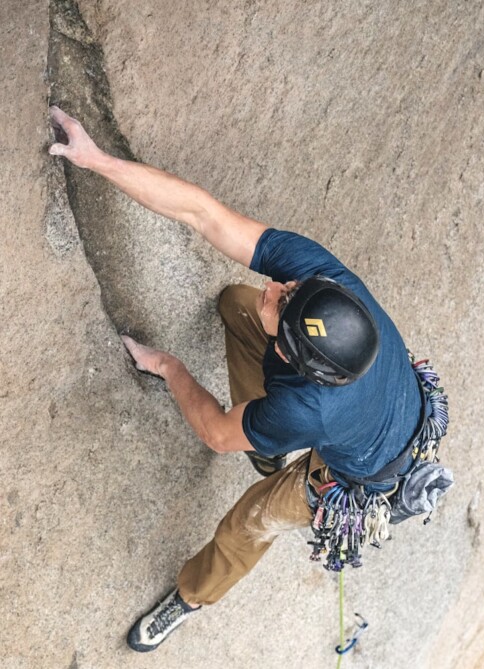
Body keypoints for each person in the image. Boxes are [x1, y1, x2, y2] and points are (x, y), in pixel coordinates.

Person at [48, 106, 425, 653]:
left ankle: (192, 597)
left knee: (248, 522)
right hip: (370, 407)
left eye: (282, 300)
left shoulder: (309, 408)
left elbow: (217, 436)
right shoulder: (324, 279)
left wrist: (171, 368)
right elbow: (203, 214)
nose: (274, 287)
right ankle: (269, 447)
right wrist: (98, 160)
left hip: (363, 474)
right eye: (287, 289)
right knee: (236, 303)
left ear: (298, 362)